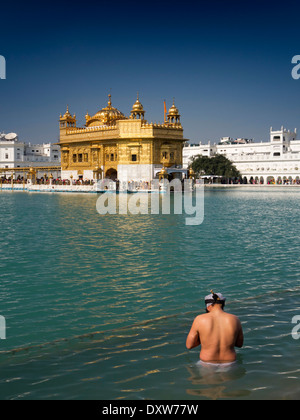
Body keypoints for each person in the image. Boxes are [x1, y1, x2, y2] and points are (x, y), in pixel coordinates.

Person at [186, 291, 244, 365]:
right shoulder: (235, 319)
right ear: (223, 304)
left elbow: (189, 345)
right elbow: (239, 344)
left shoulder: (199, 319)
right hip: (230, 362)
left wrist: (204, 340)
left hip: (207, 362)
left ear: (208, 306)